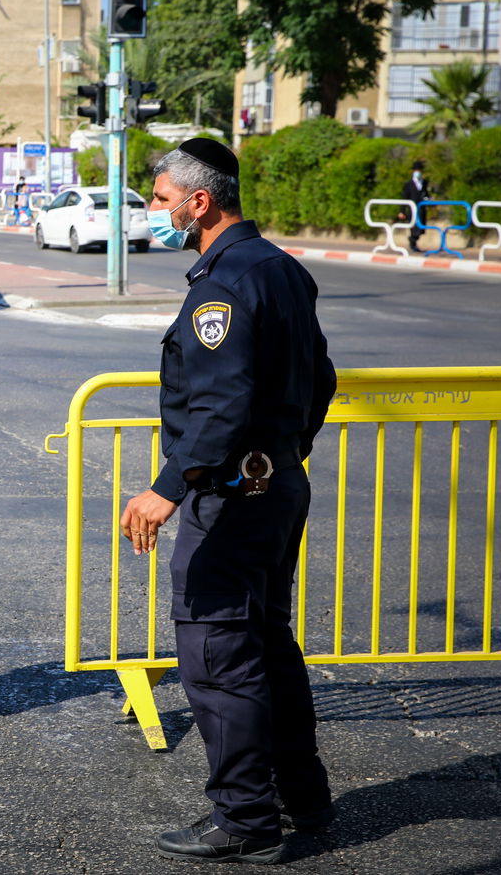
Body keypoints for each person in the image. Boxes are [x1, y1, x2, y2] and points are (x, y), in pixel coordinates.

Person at [119, 138, 337, 865]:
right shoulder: (280, 269)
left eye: (160, 198)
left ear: (199, 201)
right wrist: (282, 455)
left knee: (217, 652)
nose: (155, 210)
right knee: (267, 643)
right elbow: (321, 379)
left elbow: (220, 403)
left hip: (235, 496)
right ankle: (299, 797)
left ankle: (245, 817)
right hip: (277, 483)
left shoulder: (221, 285)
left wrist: (166, 487)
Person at [400, 160, 431, 252]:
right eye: (416, 170)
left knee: (421, 228)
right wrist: (402, 211)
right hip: (412, 209)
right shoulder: (408, 184)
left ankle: (413, 240)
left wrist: (428, 199)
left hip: (421, 209)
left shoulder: (424, 182)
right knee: (414, 228)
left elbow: (426, 194)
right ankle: (412, 243)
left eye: (419, 170)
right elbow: (405, 197)